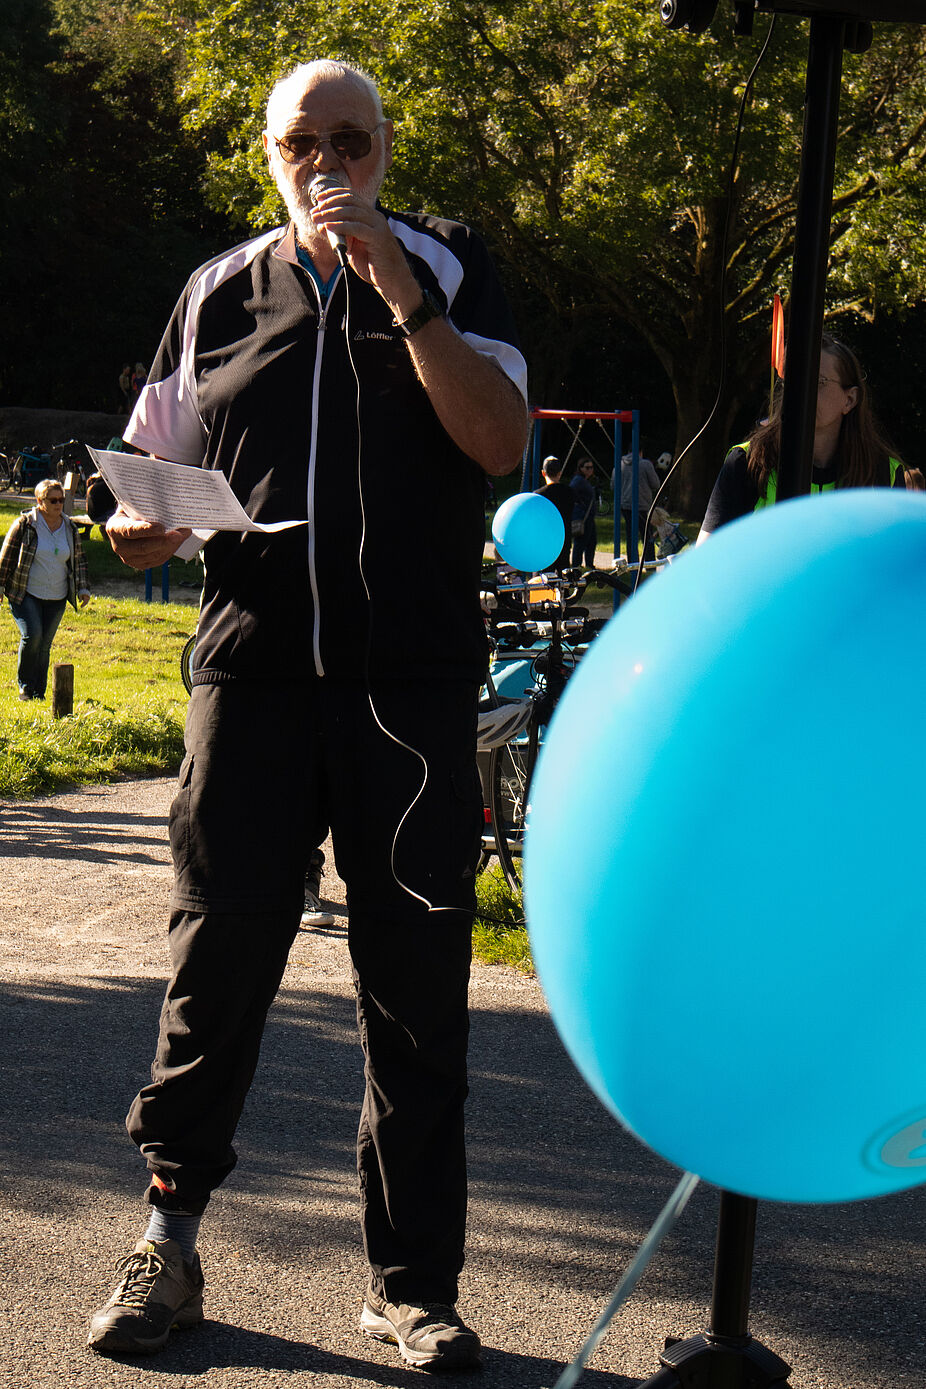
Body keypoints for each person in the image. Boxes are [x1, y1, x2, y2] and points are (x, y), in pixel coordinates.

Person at [86, 58, 528, 1368]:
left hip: (410, 683)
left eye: (353, 139)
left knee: (413, 986)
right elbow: (145, 488)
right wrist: (136, 522)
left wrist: (399, 293)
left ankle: (412, 1284)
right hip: (253, 675)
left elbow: (499, 441)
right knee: (215, 967)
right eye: (303, 142)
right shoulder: (216, 292)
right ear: (269, 154)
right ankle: (166, 1242)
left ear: (387, 149)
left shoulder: (449, 272)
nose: (328, 163)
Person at [699, 335, 911, 540]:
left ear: (849, 399)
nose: (802, 390)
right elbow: (707, 561)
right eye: (794, 378)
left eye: (818, 381)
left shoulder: (884, 473)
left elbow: (899, 565)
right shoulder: (747, 462)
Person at [0, 479, 91, 699]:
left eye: (61, 499)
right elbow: (7, 556)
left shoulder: (69, 527)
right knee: (33, 636)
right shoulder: (25, 524)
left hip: (57, 595)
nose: (59, 504)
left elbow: (78, 560)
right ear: (40, 501)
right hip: (26, 592)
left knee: (44, 645)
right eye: (53, 500)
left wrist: (83, 589)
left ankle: (38, 691)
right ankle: (24, 685)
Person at [619, 450, 660, 561]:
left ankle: (633, 563)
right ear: (641, 452)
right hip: (643, 505)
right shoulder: (646, 464)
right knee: (647, 536)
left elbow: (614, 484)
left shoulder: (620, 464)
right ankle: (649, 563)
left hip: (626, 505)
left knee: (631, 537)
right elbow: (655, 484)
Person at [534, 454, 572, 569]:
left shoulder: (538, 495)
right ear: (560, 473)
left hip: (544, 541)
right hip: (563, 540)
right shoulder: (569, 492)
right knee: (563, 577)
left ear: (543, 473)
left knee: (542, 578)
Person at [569, 457, 598, 568]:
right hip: (582, 518)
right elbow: (571, 493)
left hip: (588, 517)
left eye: (591, 467)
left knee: (591, 542)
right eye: (587, 467)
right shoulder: (578, 481)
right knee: (581, 542)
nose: (590, 470)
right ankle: (576, 566)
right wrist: (580, 506)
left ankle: (589, 565)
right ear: (581, 468)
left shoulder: (584, 481)